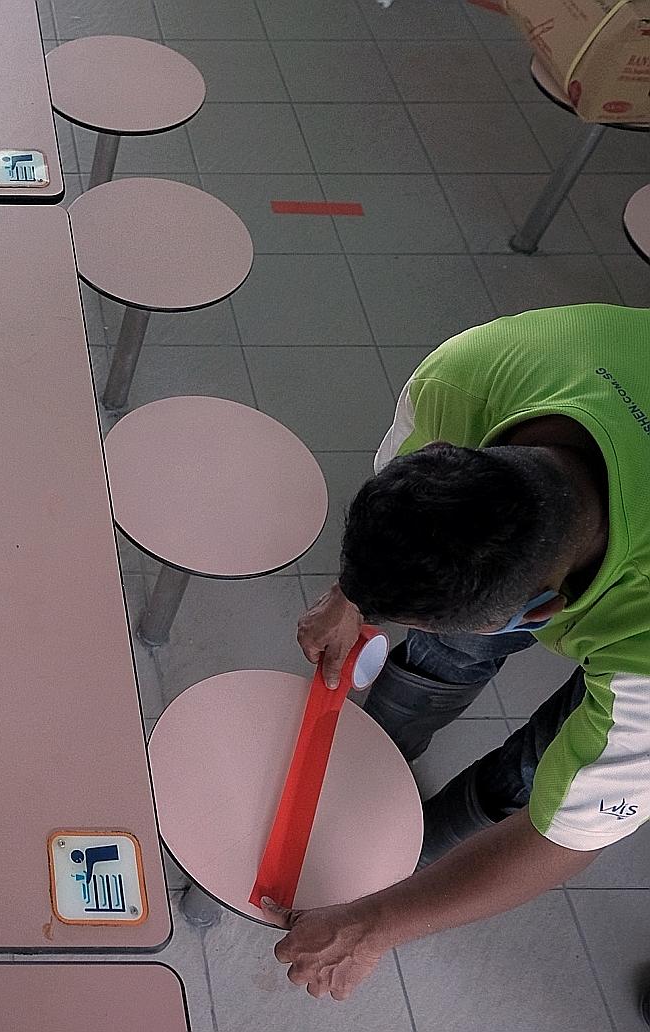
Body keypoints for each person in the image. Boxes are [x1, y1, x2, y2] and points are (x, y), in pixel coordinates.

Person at [274, 303, 650, 1001]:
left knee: (547, 768)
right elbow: (408, 523)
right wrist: (351, 598)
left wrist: (375, 923)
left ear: (545, 611)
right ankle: (381, 755)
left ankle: (417, 852)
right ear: (453, 458)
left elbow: (561, 841)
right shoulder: (461, 379)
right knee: (447, 649)